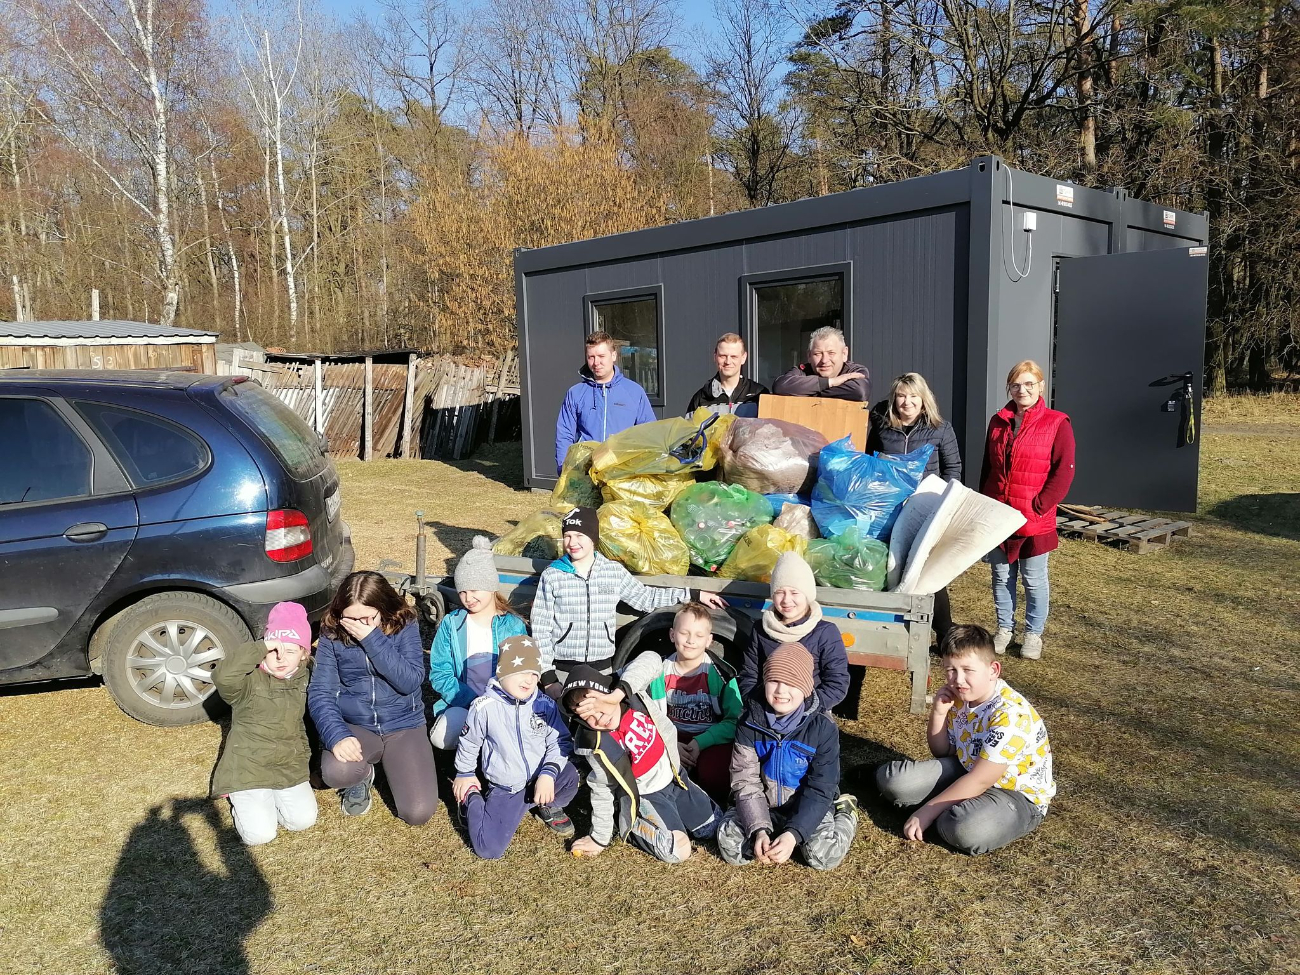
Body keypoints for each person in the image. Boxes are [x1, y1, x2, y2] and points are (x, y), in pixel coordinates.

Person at [875, 625, 1055, 854]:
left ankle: (947, 814)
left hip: (1014, 793)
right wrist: (939, 714)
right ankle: (950, 807)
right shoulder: (960, 696)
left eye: (968, 670)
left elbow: (981, 780)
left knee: (965, 828)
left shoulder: (1010, 715)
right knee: (895, 782)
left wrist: (927, 811)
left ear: (993, 670)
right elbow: (943, 752)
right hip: (966, 768)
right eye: (950, 670)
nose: (958, 680)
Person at [530, 506, 726, 696]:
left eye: (580, 535)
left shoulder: (612, 572)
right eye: (567, 536)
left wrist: (692, 594)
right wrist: (548, 678)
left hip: (602, 670)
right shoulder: (553, 575)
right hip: (564, 670)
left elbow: (646, 598)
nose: (573, 542)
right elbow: (541, 627)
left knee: (596, 726)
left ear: (593, 537)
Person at [308, 571, 438, 826]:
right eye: (351, 618)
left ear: (383, 609)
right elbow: (320, 692)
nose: (358, 624)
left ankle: (393, 764)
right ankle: (363, 774)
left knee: (417, 813)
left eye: (367, 617)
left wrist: (372, 639)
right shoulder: (332, 632)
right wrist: (336, 735)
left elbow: (410, 680)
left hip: (403, 724)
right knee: (337, 771)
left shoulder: (405, 624)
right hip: (357, 725)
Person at [562, 661, 722, 863]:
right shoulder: (597, 743)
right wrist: (599, 839)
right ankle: (634, 824)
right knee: (678, 850)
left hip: (675, 779)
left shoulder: (630, 695)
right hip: (647, 796)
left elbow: (651, 659)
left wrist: (616, 695)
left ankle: (679, 814)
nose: (599, 720)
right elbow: (601, 788)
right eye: (589, 718)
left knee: (714, 826)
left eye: (601, 709)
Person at [717, 642, 859, 870]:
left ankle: (846, 812)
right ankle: (767, 828)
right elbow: (745, 780)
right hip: (765, 804)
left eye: (792, 682)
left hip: (807, 804)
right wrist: (759, 829)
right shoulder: (748, 722)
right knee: (731, 846)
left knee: (823, 857)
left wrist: (794, 834)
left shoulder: (823, 728)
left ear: (806, 687)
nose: (781, 690)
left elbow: (821, 786)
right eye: (774, 681)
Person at [583, 601, 742, 802]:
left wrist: (699, 743)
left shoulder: (723, 675)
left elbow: (734, 720)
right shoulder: (658, 671)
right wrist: (671, 744)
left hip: (708, 739)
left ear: (709, 640)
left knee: (715, 774)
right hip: (667, 736)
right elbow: (645, 716)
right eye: (685, 633)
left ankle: (711, 800)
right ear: (672, 635)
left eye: (699, 635)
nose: (691, 640)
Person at [978, 360, 1076, 660]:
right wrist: (986, 503)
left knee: (1033, 579)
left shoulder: (1057, 423)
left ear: (1041, 386)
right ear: (1010, 388)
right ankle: (1004, 629)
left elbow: (1064, 471)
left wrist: (1041, 505)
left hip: (1034, 516)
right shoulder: (998, 421)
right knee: (1001, 576)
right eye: (1017, 385)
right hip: (1001, 514)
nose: (1023, 390)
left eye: (1029, 384)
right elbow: (988, 467)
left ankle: (1033, 634)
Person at [451, 635, 580, 859]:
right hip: (507, 787)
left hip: (539, 776)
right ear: (503, 672)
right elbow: (469, 742)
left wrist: (548, 774)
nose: (529, 680)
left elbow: (560, 741)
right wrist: (465, 774)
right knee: (488, 849)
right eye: (521, 672)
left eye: (534, 674)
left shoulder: (544, 704)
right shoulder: (484, 707)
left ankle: (545, 804)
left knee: (570, 777)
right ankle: (471, 799)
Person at [210, 601, 317, 846]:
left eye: (290, 651)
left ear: (303, 654)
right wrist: (262, 646)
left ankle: (267, 801)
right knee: (260, 836)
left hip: (288, 765)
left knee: (303, 821)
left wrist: (307, 761)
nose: (281, 658)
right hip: (249, 767)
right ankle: (241, 797)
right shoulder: (247, 681)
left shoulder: (306, 678)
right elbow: (222, 676)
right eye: (274, 651)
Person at [866, 371, 963, 643]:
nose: (906, 403)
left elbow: (953, 468)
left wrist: (944, 502)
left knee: (926, 569)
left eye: (913, 397)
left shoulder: (940, 428)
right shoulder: (882, 424)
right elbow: (868, 459)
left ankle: (944, 632)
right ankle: (895, 629)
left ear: (924, 400)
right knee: (891, 566)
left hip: (925, 507)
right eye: (900, 396)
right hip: (888, 507)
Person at [428, 537, 528, 749]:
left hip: (503, 704)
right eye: (463, 591)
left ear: (491, 587)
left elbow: (522, 672)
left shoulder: (512, 626)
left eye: (475, 590)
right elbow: (440, 672)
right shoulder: (452, 623)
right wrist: (471, 700)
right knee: (442, 735)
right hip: (465, 703)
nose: (468, 597)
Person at [738, 551, 850, 712]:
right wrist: (759, 706)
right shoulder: (760, 629)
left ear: (807, 594)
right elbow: (749, 675)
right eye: (779, 592)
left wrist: (807, 709)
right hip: (768, 710)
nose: (786, 600)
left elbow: (837, 682)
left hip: (811, 712)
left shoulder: (825, 632)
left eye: (794, 592)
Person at [555, 330, 656, 474]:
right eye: (591, 357)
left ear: (613, 355)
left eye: (601, 356)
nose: (596, 362)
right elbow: (564, 434)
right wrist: (563, 469)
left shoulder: (634, 392)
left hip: (623, 473)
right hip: (585, 472)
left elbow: (649, 433)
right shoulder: (575, 393)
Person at [772, 326, 870, 402]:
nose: (824, 360)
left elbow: (859, 392)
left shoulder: (854, 371)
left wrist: (806, 391)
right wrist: (831, 382)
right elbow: (780, 387)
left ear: (844, 354)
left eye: (831, 353)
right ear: (809, 356)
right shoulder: (802, 371)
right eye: (818, 354)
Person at [686, 333, 770, 416]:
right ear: (715, 357)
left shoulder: (759, 394)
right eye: (723, 356)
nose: (728, 362)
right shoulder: (700, 398)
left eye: (734, 356)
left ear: (743, 358)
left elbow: (772, 428)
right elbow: (689, 429)